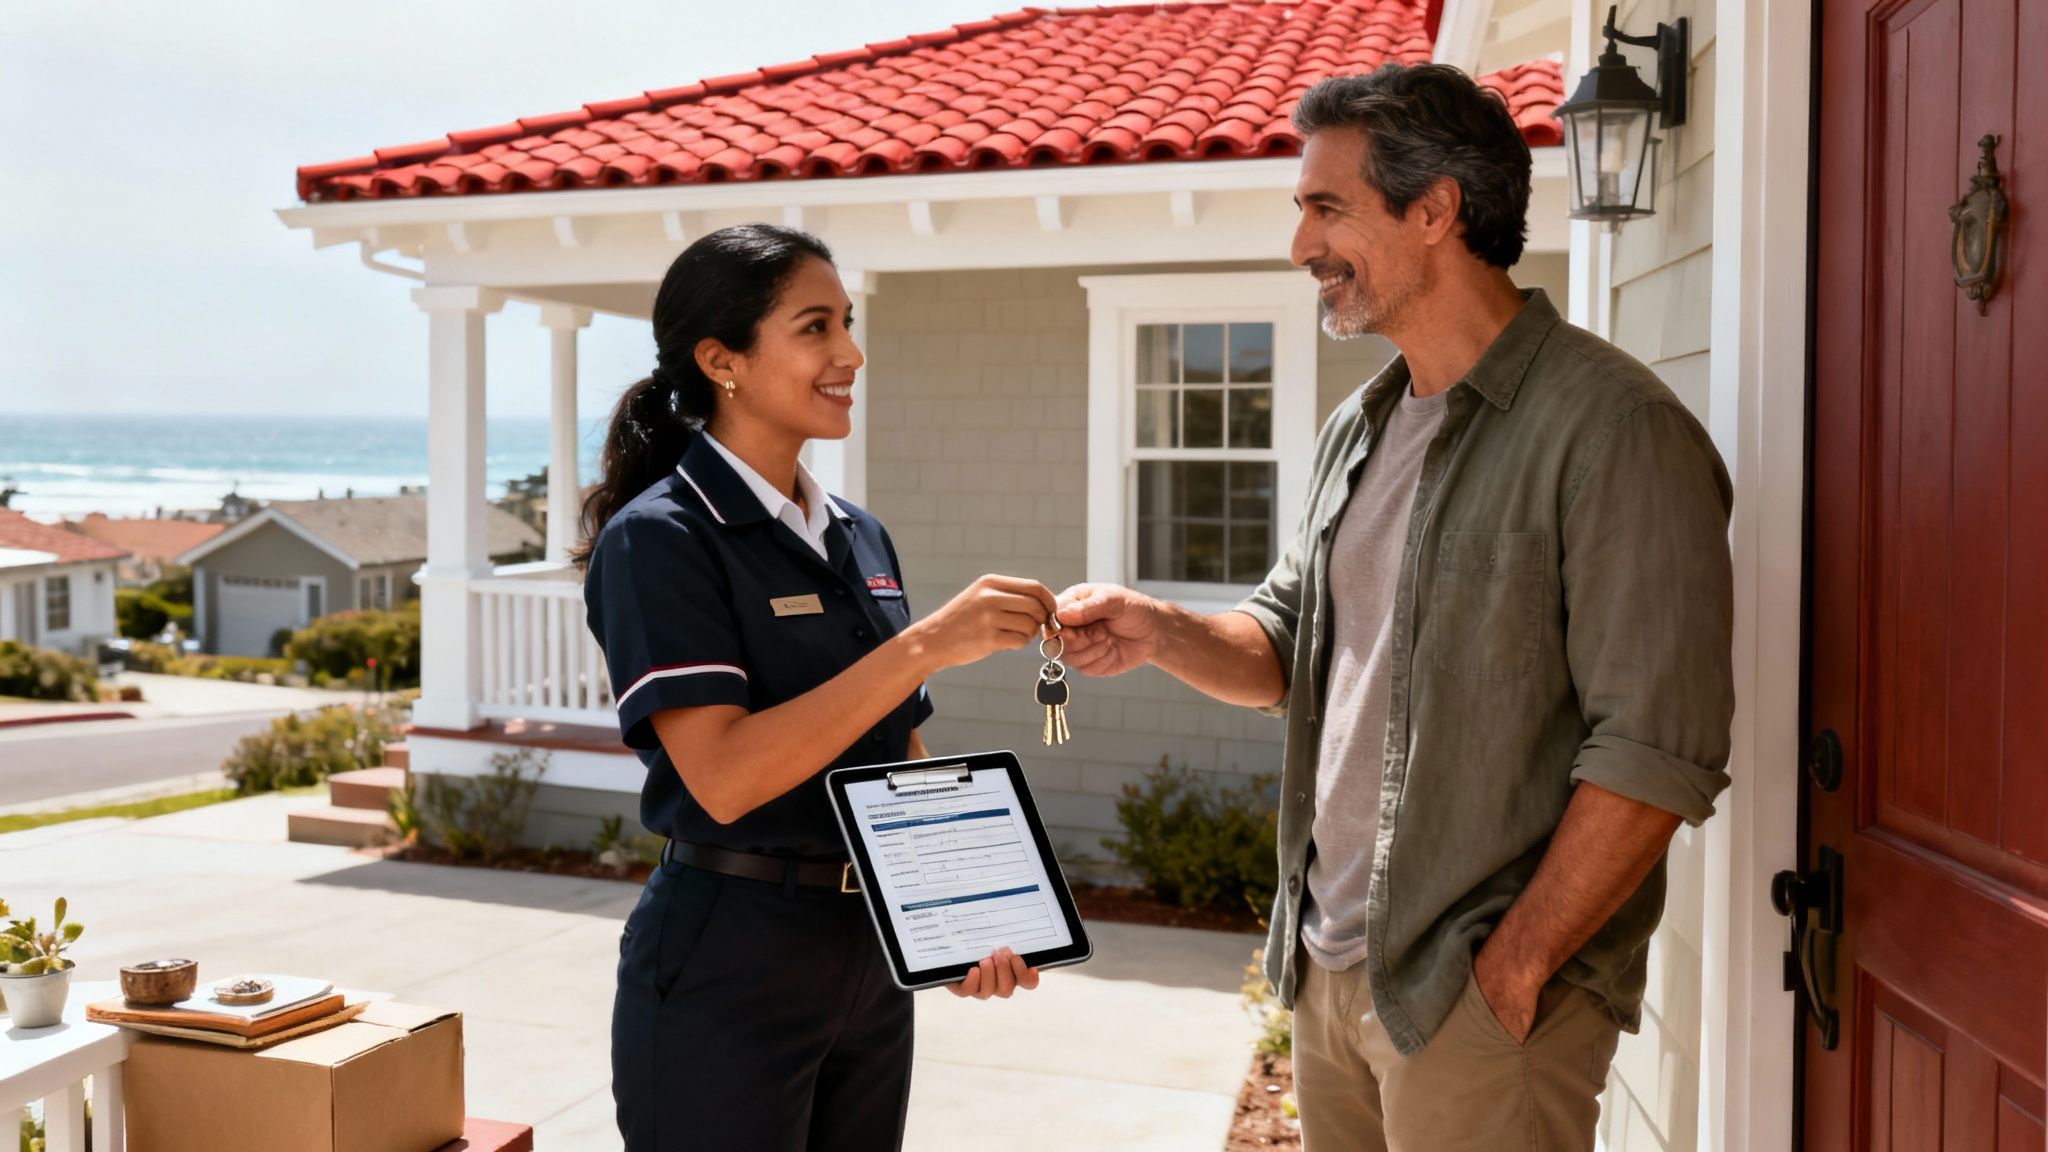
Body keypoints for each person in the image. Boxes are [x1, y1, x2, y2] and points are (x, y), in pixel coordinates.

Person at [1055, 63, 1735, 1151]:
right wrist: (1159, 630)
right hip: (1330, 970)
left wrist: (1510, 970)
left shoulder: (1611, 431)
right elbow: (1287, 643)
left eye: (1326, 208)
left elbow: (1656, 747)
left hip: (1478, 997)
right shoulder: (1359, 427)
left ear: (1434, 211)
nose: (1299, 247)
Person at [580, 224, 1052, 1152]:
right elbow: (723, 775)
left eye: (848, 322)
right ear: (722, 360)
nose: (851, 353)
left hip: (868, 957)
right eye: (815, 327)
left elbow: (896, 750)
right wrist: (921, 649)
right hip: (729, 960)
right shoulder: (661, 539)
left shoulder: (860, 535)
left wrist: (950, 918)